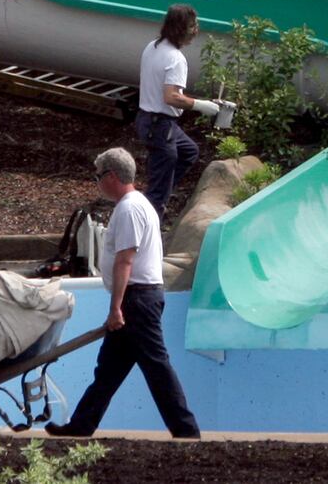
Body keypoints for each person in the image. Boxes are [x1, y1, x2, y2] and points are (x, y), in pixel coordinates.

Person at [46, 147, 200, 438]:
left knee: (156, 367)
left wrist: (116, 307)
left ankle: (186, 429)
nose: (97, 182)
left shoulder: (129, 209)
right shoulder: (138, 204)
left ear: (112, 175)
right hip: (139, 297)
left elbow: (125, 260)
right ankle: (81, 425)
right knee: (108, 370)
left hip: (137, 299)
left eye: (98, 176)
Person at [135, 4, 218, 217]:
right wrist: (201, 105)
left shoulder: (152, 46)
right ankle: (148, 231)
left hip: (148, 120)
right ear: (179, 28)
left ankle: (162, 187)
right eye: (192, 26)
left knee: (189, 152)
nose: (196, 30)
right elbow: (171, 97)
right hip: (160, 126)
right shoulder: (176, 59)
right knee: (157, 195)